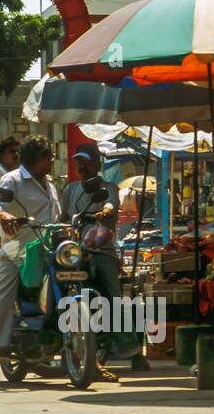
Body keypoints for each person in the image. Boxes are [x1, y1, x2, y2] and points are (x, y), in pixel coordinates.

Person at [0, 137, 61, 387]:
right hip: (18, 247)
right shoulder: (11, 180)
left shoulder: (50, 184)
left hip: (50, 247)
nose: (53, 161)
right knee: (1, 297)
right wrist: (6, 216)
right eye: (49, 156)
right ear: (36, 160)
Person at [61, 142, 148, 377]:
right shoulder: (70, 190)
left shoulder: (109, 187)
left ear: (96, 164)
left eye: (86, 162)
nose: (81, 166)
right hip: (75, 254)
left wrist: (107, 211)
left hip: (102, 253)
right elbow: (62, 219)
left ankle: (133, 352)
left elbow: (111, 204)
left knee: (114, 300)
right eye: (78, 161)